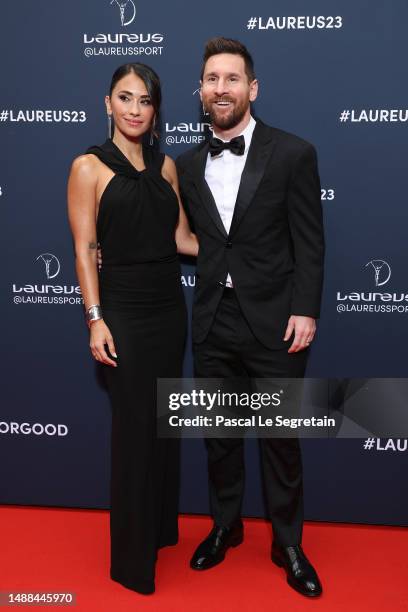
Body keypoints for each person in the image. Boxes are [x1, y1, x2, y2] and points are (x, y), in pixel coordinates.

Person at [175, 38, 325, 597]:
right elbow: (189, 239)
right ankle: (225, 525)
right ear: (201, 91)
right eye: (212, 79)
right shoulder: (188, 165)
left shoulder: (293, 153)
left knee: (281, 438)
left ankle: (288, 542)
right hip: (214, 318)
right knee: (220, 435)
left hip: (276, 321)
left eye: (232, 79)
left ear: (252, 88)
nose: (221, 89)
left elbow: (310, 242)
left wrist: (306, 308)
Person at [67, 62, 198, 595]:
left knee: (163, 427)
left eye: (145, 101)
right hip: (121, 310)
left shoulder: (167, 167)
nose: (135, 109)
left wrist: (248, 250)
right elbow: (84, 249)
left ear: (154, 108)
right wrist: (95, 318)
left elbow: (184, 241)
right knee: (134, 432)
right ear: (107, 103)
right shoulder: (87, 168)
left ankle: (160, 530)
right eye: (125, 98)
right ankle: (131, 560)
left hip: (169, 309)